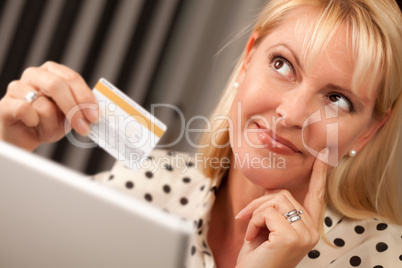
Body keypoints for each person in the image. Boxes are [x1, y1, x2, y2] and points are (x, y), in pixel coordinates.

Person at [0, 0, 401, 267]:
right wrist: (8, 154)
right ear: (247, 61)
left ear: (366, 133)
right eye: (282, 64)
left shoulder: (384, 257)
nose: (292, 114)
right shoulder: (146, 186)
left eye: (338, 99)